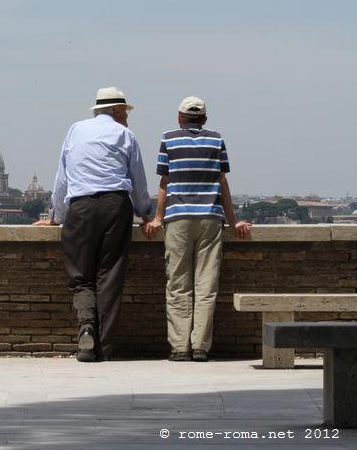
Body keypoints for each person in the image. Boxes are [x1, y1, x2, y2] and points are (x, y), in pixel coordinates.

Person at [34, 87, 153, 362]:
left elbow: (62, 180)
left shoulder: (75, 130)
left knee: (80, 275)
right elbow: (138, 182)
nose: (128, 118)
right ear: (117, 110)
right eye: (126, 112)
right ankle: (105, 346)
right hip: (115, 205)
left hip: (81, 206)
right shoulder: (126, 135)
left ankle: (86, 326)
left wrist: (57, 217)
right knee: (109, 275)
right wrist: (146, 213)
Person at [145, 96, 251, 362]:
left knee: (178, 284)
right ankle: (200, 346)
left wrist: (158, 218)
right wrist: (233, 219)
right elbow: (222, 183)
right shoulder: (216, 140)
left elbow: (164, 183)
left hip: (178, 218)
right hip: (210, 218)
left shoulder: (168, 139)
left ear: (179, 117)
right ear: (204, 119)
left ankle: (180, 346)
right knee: (206, 285)